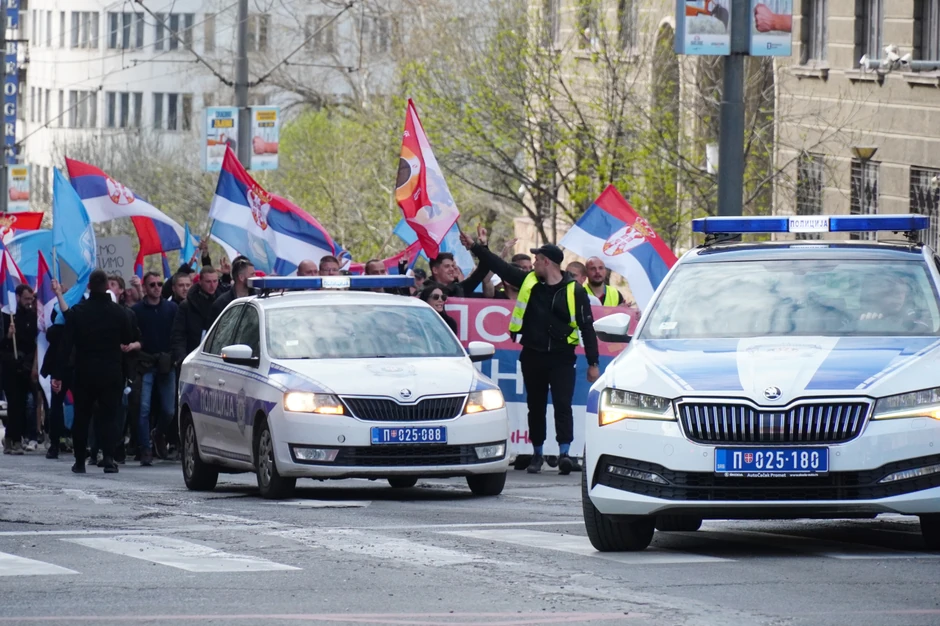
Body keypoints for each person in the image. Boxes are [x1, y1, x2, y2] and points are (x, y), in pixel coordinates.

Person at [462, 233, 600, 475]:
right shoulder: (529, 281)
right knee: (535, 407)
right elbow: (500, 266)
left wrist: (593, 363)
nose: (533, 264)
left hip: (562, 357)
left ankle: (564, 453)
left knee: (562, 405)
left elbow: (587, 327)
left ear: (547, 262)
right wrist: (475, 247)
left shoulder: (574, 291)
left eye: (537, 260)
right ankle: (537, 453)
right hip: (533, 354)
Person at [51, 270, 134, 473]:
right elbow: (127, 338)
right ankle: (108, 458)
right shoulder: (119, 312)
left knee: (82, 416)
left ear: (88, 286)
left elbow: (66, 346)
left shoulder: (79, 312)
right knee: (109, 416)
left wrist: (58, 374)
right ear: (107, 286)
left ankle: (80, 461)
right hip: (111, 371)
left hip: (85, 371)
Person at [132, 272, 179, 465]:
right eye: (152, 284)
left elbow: (178, 334)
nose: (157, 287)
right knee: (143, 408)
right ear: (145, 287)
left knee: (169, 409)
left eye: (160, 284)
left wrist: (174, 357)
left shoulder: (172, 308)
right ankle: (145, 448)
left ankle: (158, 433)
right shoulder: (136, 311)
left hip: (166, 364)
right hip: (146, 364)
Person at [1, 285, 38, 455]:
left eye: (31, 299)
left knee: (24, 404)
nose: (29, 303)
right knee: (14, 404)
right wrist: (8, 336)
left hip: (27, 365)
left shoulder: (32, 315)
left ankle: (18, 437)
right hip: (10, 365)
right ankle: (12, 439)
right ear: (17, 298)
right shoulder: (6, 316)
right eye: (26, 299)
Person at [170, 265, 219, 367]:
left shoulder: (221, 301)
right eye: (208, 282)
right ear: (200, 282)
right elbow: (178, 334)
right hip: (193, 357)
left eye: (215, 281)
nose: (212, 285)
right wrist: (182, 358)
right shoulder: (187, 305)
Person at [210, 258, 255, 323]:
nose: (255, 277)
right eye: (252, 274)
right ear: (241, 277)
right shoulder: (222, 304)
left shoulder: (258, 298)